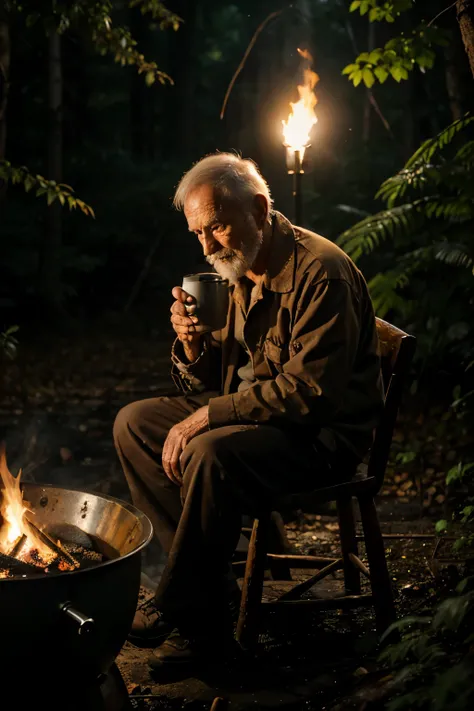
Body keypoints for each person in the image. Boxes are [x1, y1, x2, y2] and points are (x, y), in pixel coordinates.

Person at [113, 153, 384, 671]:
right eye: (197, 233)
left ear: (259, 209)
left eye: (215, 227)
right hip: (262, 417)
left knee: (210, 451)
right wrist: (191, 346)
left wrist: (209, 415)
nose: (207, 246)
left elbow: (311, 397)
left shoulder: (319, 272)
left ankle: (184, 611)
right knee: (134, 423)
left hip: (321, 437)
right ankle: (208, 602)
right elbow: (222, 376)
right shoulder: (238, 267)